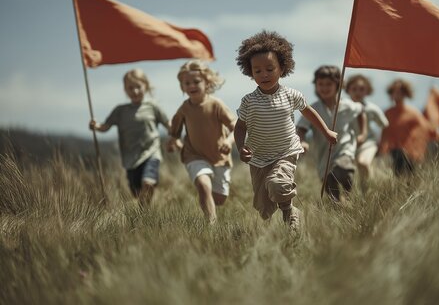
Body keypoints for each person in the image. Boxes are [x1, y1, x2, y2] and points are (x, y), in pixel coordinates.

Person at [234, 30, 337, 230]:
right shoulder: (249, 101)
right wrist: (241, 147)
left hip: (285, 152)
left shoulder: (291, 95)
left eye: (270, 69)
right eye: (257, 71)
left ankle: (290, 211)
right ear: (250, 72)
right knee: (263, 208)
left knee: (278, 184)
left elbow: (309, 113)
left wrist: (326, 132)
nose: (264, 74)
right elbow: (240, 127)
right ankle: (282, 211)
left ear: (282, 68)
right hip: (258, 157)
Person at [168, 60, 236, 224]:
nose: (192, 85)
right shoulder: (184, 108)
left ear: (207, 82)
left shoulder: (216, 105)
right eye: (187, 83)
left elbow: (236, 127)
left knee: (219, 199)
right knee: (203, 185)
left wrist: (228, 140)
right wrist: (173, 142)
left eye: (196, 81)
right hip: (194, 155)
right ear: (182, 86)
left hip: (219, 157)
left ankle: (210, 203)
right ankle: (211, 225)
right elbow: (174, 132)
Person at [89, 69, 170, 205]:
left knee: (148, 182)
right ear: (125, 90)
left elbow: (169, 125)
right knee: (137, 192)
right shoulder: (120, 111)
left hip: (151, 152)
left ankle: (145, 211)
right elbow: (105, 126)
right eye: (130, 88)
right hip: (130, 158)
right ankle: (144, 212)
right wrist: (96, 126)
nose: (135, 91)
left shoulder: (153, 106)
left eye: (138, 86)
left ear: (146, 85)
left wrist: (177, 135)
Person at [297, 66, 364, 202]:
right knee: (333, 195)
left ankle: (350, 195)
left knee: (344, 169)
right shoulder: (313, 108)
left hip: (344, 150)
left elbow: (361, 112)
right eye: (320, 84)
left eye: (329, 84)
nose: (324, 88)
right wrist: (302, 141)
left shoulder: (348, 105)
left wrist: (363, 133)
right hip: (324, 158)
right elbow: (301, 128)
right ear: (315, 86)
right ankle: (342, 207)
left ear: (338, 85)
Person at [379, 79, 439, 176]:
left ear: (405, 94)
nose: (397, 94)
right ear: (391, 93)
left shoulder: (413, 112)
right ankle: (400, 189)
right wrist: (382, 146)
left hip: (410, 149)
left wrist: (436, 134)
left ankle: (408, 189)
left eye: (400, 92)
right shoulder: (387, 113)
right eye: (394, 91)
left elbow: (425, 126)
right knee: (399, 171)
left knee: (409, 174)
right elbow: (385, 132)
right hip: (395, 149)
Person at [345, 74, 389, 181]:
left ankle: (368, 192)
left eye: (361, 89)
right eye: (354, 89)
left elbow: (384, 125)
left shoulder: (371, 109)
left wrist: (383, 143)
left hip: (368, 142)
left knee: (363, 162)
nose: (357, 92)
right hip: (348, 144)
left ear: (367, 91)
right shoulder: (343, 108)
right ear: (348, 90)